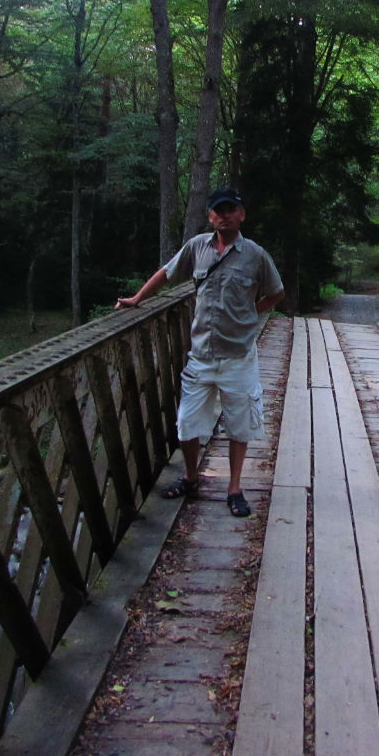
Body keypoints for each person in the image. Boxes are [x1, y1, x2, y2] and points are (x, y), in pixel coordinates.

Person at [115, 187, 285, 517]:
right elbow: (167, 272)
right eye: (217, 210)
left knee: (240, 424)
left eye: (230, 209)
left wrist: (251, 315)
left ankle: (234, 488)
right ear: (210, 216)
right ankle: (191, 478)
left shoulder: (255, 255)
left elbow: (276, 293)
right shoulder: (197, 247)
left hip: (238, 357)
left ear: (241, 214)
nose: (224, 215)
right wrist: (137, 299)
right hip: (201, 355)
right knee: (187, 423)